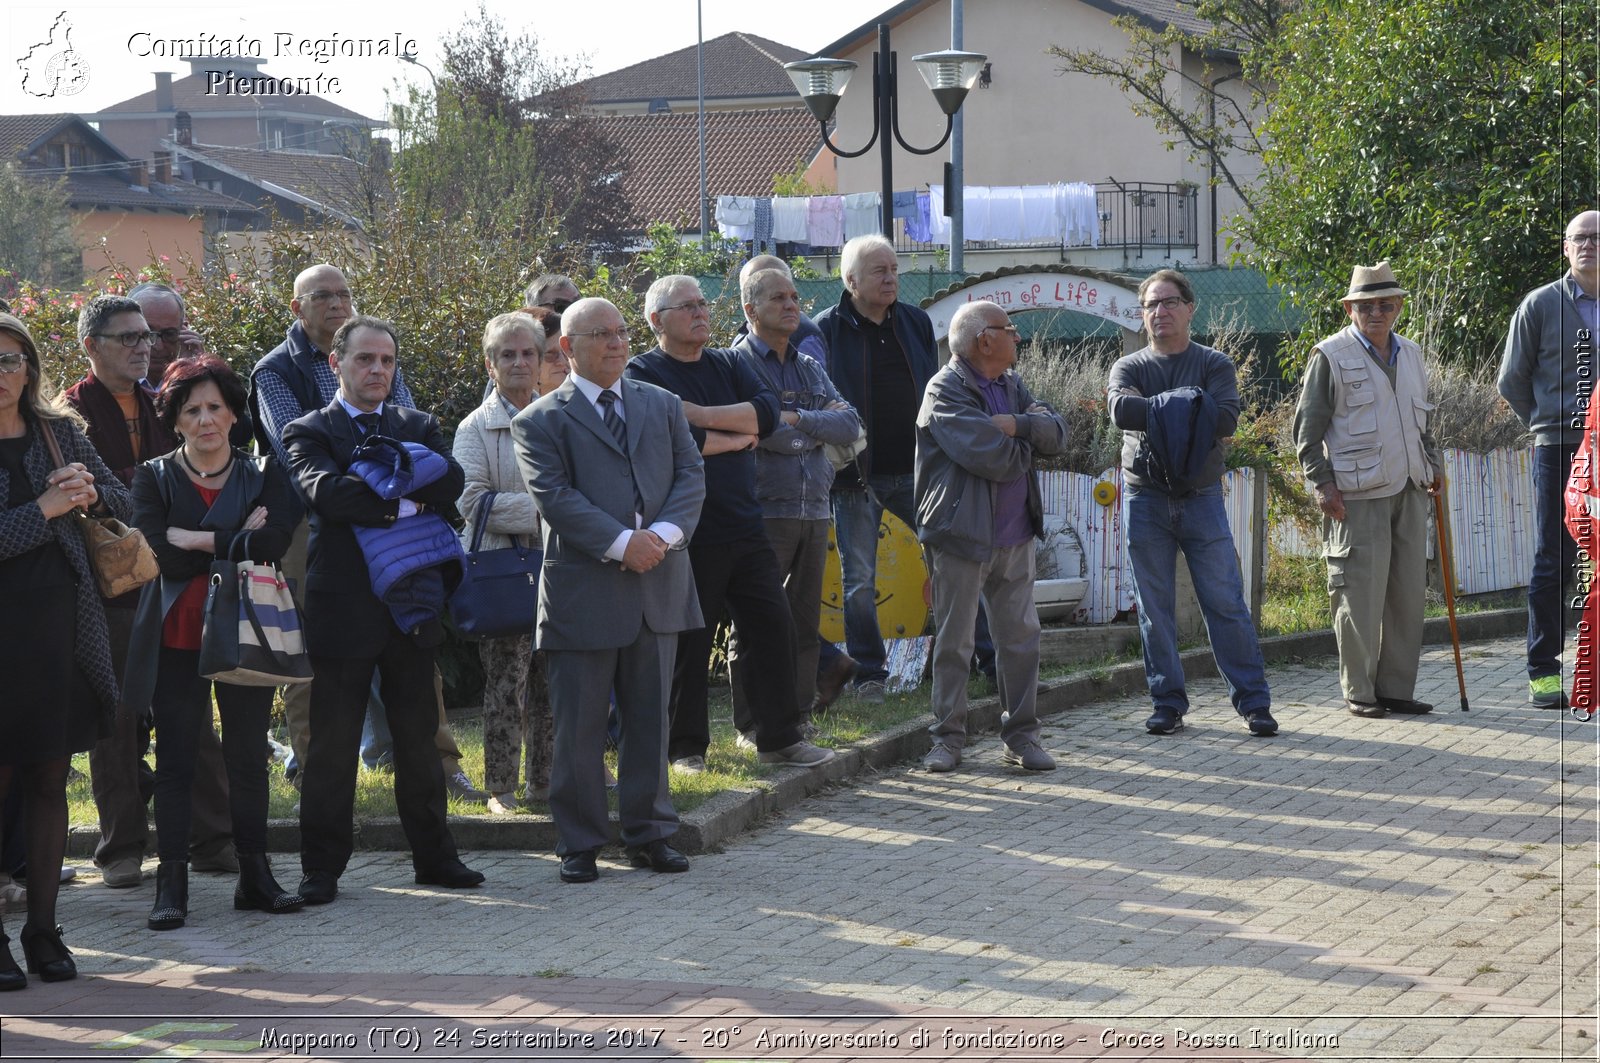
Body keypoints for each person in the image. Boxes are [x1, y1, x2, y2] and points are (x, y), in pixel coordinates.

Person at [249, 264, 485, 802]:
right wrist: (393, 487)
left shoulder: (376, 352)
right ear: (297, 308)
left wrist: (377, 481)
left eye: (345, 294)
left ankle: (439, 762)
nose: (337, 303)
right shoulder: (274, 370)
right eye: (323, 295)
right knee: (318, 657)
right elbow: (300, 464)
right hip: (314, 532)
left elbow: (418, 446)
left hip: (395, 535)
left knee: (411, 636)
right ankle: (316, 767)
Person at [282, 315, 484, 905]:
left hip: (411, 601)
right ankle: (321, 870)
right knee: (333, 746)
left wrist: (381, 496)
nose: (377, 371)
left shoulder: (416, 423)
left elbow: (451, 483)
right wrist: (403, 504)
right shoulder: (308, 429)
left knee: (419, 739)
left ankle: (436, 859)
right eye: (365, 359)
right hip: (342, 607)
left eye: (387, 362)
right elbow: (328, 495)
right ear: (335, 364)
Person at [512, 298, 705, 883]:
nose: (617, 343)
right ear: (567, 348)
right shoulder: (540, 420)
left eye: (621, 332)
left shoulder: (662, 404)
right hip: (585, 591)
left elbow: (690, 475)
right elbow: (556, 499)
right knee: (581, 728)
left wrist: (663, 537)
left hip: (659, 584)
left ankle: (650, 834)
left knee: (650, 722)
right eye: (600, 335)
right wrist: (625, 543)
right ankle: (579, 842)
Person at [624, 275, 836, 773]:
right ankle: (686, 750)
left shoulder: (728, 361)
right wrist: (732, 436)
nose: (701, 313)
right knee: (690, 643)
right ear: (656, 321)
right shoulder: (642, 371)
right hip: (686, 529)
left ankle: (779, 737)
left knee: (773, 626)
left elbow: (766, 414)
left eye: (702, 304)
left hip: (746, 522)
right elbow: (670, 437)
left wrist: (702, 415)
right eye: (687, 307)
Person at [123, 356, 306, 930]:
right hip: (179, 632)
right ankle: (170, 882)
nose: (205, 420)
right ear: (175, 420)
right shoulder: (152, 477)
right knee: (176, 759)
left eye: (215, 408)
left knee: (249, 758)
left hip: (249, 629)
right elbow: (158, 554)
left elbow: (276, 542)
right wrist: (234, 540)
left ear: (233, 416)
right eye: (191, 410)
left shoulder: (264, 472)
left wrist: (200, 537)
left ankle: (256, 876)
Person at [65, 295, 234, 888]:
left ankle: (212, 839)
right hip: (106, 584)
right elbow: (93, 493)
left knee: (191, 710)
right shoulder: (66, 416)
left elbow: (209, 463)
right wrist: (151, 487)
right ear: (91, 346)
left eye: (146, 337)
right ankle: (121, 850)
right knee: (117, 718)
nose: (144, 348)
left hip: (177, 574)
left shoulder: (164, 403)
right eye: (128, 339)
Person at [0, 312, 133, 987]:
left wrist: (86, 490)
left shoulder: (60, 431)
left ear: (30, 368)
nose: (2, 374)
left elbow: (123, 501)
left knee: (50, 782)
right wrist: (45, 510)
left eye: (12, 359)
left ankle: (44, 930)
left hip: (60, 630)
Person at [1107, 269, 1277, 737]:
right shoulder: (1129, 366)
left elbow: (1224, 420)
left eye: (1169, 302)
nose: (1160, 312)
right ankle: (1167, 704)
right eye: (1151, 305)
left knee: (1225, 603)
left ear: (1189, 308)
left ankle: (1254, 704)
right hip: (1146, 499)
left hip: (1202, 499)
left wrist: (1161, 409)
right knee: (1153, 609)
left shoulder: (1215, 363)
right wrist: (1190, 405)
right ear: (1143, 316)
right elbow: (1121, 410)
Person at [917, 303, 1067, 772]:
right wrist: (1028, 440)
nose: (1017, 338)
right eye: (1010, 330)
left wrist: (1018, 426)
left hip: (1015, 535)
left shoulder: (1011, 385)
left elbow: (1057, 434)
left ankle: (1021, 737)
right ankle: (947, 739)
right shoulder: (944, 390)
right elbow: (994, 458)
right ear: (985, 340)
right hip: (960, 535)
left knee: (1021, 639)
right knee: (955, 643)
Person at [1294, 263, 1443, 718]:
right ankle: (1360, 693)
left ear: (1398, 307)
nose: (1376, 312)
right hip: (1355, 496)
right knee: (1358, 597)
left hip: (1410, 489)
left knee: (1406, 597)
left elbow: (1423, 423)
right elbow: (1306, 429)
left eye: (1385, 304)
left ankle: (1396, 689)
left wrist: (1434, 466)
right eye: (1366, 305)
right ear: (1349, 309)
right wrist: (1322, 483)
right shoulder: (1330, 354)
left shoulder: (1412, 353)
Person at [728, 268, 861, 737]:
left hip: (814, 507)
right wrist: (810, 428)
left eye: (793, 296)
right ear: (750, 310)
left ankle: (799, 716)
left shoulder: (809, 365)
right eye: (777, 298)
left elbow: (849, 425)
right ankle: (751, 726)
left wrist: (794, 420)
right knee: (756, 625)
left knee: (805, 623)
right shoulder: (737, 364)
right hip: (764, 509)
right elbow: (759, 432)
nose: (791, 305)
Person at [816, 235, 938, 701]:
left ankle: (975, 655)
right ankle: (869, 673)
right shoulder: (826, 330)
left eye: (893, 269)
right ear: (850, 282)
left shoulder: (916, 322)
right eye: (878, 271)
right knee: (859, 581)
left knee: (950, 563)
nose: (890, 278)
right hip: (856, 476)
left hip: (919, 470)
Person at [454, 311, 565, 814]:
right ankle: (500, 789)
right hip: (503, 572)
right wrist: (553, 511)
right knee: (505, 683)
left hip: (562, 569)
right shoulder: (475, 427)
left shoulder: (561, 415)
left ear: (544, 361)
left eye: (529, 354)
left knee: (554, 682)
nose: (520, 362)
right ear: (490, 363)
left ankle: (545, 783)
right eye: (507, 354)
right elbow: (474, 503)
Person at [1497, 210, 1600, 709]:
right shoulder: (1539, 305)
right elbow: (1511, 380)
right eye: (1579, 237)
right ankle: (1543, 673)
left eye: (1597, 237)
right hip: (1559, 449)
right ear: (1565, 248)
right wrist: (1546, 424)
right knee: (1553, 559)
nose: (1588, 245)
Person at [127, 282, 204, 387]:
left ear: (184, 330)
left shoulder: (204, 387)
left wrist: (192, 373)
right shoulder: (110, 385)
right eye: (148, 334)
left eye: (169, 334)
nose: (158, 346)